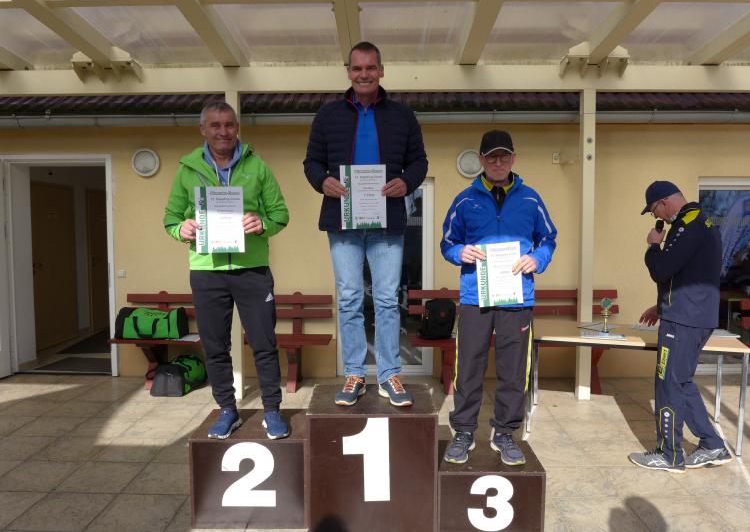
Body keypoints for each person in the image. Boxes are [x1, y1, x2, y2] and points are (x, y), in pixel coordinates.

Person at [304, 41, 428, 407]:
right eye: (357, 68)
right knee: (350, 298)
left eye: (370, 68)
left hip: (387, 220)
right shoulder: (327, 115)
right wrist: (321, 181)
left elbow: (419, 162)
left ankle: (389, 375)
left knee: (387, 299)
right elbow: (311, 162)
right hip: (342, 220)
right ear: (348, 72)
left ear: (381, 71)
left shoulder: (403, 116)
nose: (364, 74)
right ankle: (355, 374)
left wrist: (406, 182)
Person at [164, 101, 290, 439]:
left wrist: (262, 224)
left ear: (237, 128)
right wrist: (181, 229)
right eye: (216, 125)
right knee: (215, 346)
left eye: (230, 125)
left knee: (264, 343)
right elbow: (171, 219)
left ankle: (272, 410)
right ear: (203, 129)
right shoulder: (186, 171)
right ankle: (227, 410)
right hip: (207, 271)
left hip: (252, 269)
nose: (224, 132)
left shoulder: (257, 167)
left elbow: (280, 214)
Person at [440, 130, 557, 465]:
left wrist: (537, 259)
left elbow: (548, 238)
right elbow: (447, 242)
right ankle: (464, 431)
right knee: (468, 368)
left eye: (504, 156)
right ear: (481, 160)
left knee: (514, 370)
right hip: (475, 297)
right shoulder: (464, 200)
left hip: (517, 298)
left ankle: (505, 433)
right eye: (491, 157)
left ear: (514, 158)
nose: (498, 162)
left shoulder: (531, 199)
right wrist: (459, 252)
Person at [630, 180, 733, 472]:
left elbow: (662, 269)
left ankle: (669, 454)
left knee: (668, 384)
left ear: (664, 202)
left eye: (654, 211)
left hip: (684, 321)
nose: (656, 217)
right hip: (692, 316)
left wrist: (653, 246)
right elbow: (689, 274)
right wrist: (662, 306)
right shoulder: (701, 221)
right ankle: (712, 445)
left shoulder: (688, 225)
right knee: (682, 382)